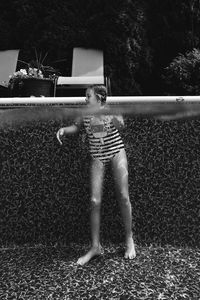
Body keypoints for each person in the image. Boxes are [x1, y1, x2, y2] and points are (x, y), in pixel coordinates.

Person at [56, 84, 136, 265]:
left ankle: (129, 239)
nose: (85, 99)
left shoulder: (110, 110)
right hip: (97, 157)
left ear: (99, 98)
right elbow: (76, 128)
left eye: (88, 96)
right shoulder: (84, 113)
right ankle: (95, 247)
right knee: (94, 201)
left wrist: (113, 118)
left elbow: (121, 125)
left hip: (116, 152)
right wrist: (63, 130)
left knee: (123, 196)